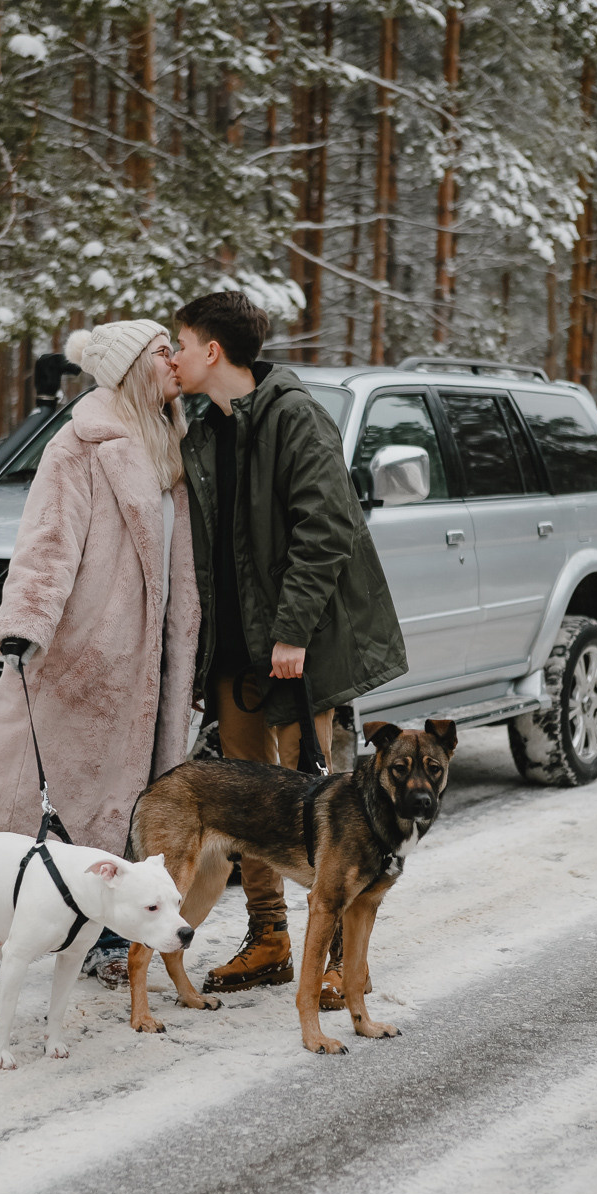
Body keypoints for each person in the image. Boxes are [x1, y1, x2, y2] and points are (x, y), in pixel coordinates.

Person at [0, 319, 201, 998]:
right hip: (74, 666)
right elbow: (46, 544)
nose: (173, 362)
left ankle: (109, 941)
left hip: (139, 675)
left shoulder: (167, 445)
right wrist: (25, 626)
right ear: (127, 369)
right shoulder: (80, 446)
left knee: (122, 818)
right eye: (160, 352)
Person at [171, 291, 407, 1008]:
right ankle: (269, 938)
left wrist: (292, 632)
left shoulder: (293, 416)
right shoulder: (203, 427)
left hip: (297, 651)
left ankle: (338, 959)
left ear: (212, 351)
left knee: (324, 798)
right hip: (237, 655)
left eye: (180, 343)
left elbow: (326, 528)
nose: (173, 357)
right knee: (247, 804)